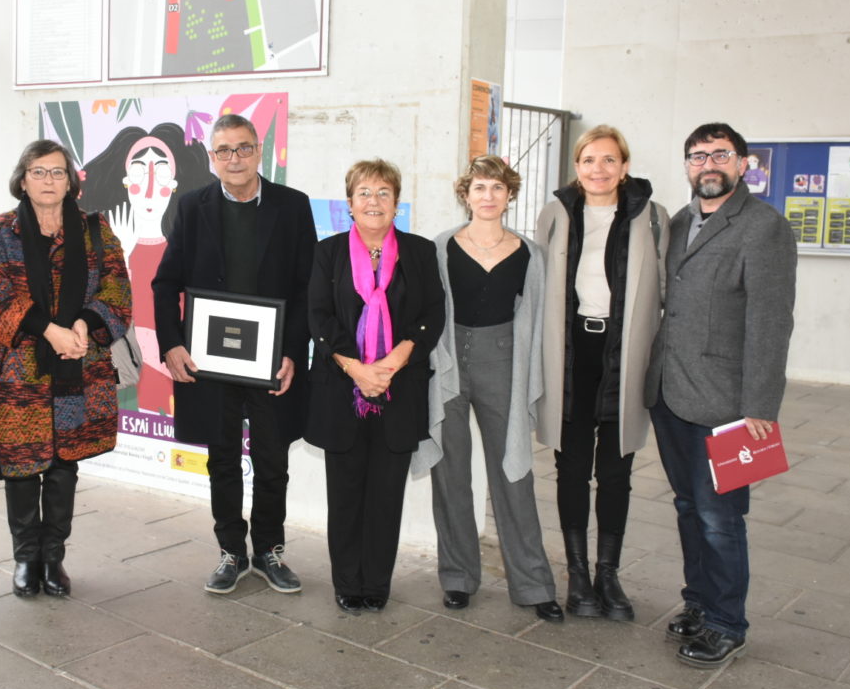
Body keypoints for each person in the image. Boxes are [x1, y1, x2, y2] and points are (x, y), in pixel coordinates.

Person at [646, 122, 797, 667]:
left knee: (721, 517)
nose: (707, 164)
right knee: (688, 507)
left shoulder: (763, 227)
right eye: (696, 156)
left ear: (741, 163)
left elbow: (771, 320)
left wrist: (760, 405)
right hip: (669, 392)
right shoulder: (682, 220)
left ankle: (728, 622)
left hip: (727, 404)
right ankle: (699, 602)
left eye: (719, 154)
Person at [152, 113, 316, 595]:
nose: (234, 159)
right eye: (223, 151)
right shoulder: (191, 206)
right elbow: (165, 283)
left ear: (258, 150)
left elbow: (307, 288)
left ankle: (269, 550)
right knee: (221, 460)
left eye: (242, 148)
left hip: (271, 362)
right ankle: (231, 552)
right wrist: (172, 344)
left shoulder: (292, 206)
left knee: (273, 462)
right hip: (211, 361)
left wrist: (291, 351)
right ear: (211, 158)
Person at [0, 139, 132, 597]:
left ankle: (53, 559)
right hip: (20, 371)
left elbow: (119, 292)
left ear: (72, 181)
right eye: (38, 172)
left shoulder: (97, 231)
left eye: (58, 172)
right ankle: (26, 558)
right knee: (22, 468)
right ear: (22, 180)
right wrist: (50, 330)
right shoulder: (1, 231)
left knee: (65, 466)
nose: (48, 180)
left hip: (80, 368)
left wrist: (82, 324)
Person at [412, 156, 562, 623]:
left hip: (505, 360)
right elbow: (430, 310)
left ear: (509, 194)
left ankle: (533, 583)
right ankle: (457, 577)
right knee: (451, 472)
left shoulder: (529, 254)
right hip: (451, 358)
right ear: (466, 194)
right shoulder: (440, 247)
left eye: (498, 187)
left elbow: (538, 322)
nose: (488, 195)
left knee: (514, 473)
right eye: (479, 187)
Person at [535, 126, 668, 622]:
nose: (598, 169)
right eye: (589, 160)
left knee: (616, 471)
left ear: (624, 166)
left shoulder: (650, 216)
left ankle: (609, 574)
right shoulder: (556, 214)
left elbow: (665, 290)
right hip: (572, 352)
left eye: (609, 160)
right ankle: (577, 576)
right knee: (570, 468)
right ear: (577, 166)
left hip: (624, 352)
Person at [308, 159, 445, 613]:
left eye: (383, 193)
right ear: (349, 204)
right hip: (341, 390)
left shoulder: (420, 252)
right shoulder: (328, 253)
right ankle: (348, 582)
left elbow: (432, 315)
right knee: (345, 495)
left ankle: (376, 585)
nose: (374, 201)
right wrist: (358, 370)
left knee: (386, 497)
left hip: (399, 388)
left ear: (396, 204)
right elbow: (319, 318)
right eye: (364, 193)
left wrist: (393, 361)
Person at [81, 124, 215, 415]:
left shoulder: (185, 250)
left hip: (178, 384)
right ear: (125, 180)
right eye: (140, 172)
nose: (152, 188)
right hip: (128, 387)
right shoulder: (104, 245)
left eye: (163, 172)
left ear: (177, 181)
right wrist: (122, 256)